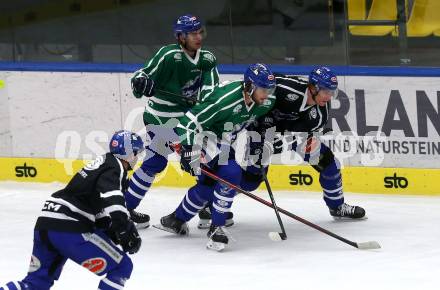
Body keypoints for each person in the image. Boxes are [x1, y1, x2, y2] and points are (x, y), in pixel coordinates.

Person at [198, 67, 365, 228]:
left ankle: (337, 206)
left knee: (329, 163)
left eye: (332, 92)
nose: (329, 97)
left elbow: (302, 137)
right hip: (259, 131)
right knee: (252, 181)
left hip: (289, 136)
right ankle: (210, 202)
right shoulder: (285, 87)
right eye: (326, 91)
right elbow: (258, 90)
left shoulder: (321, 113)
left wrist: (280, 143)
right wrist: (260, 120)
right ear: (313, 87)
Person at [155, 63, 276, 252]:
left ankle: (176, 219)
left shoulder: (265, 100)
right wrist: (188, 150)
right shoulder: (225, 101)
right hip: (201, 138)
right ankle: (216, 227)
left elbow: (271, 109)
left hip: (222, 141)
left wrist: (264, 126)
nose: (267, 94)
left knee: (209, 185)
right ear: (249, 87)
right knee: (231, 172)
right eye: (263, 89)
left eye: (269, 89)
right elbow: (187, 124)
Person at [0, 130, 144, 290]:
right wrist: (123, 228)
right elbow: (113, 201)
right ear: (129, 153)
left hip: (46, 222)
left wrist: (108, 228)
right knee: (121, 267)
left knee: (35, 283)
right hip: (69, 226)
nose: (136, 158)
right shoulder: (115, 166)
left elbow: (96, 204)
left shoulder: (101, 164)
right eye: (136, 153)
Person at [126, 14, 219, 228]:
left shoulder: (207, 59)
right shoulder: (167, 55)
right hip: (161, 117)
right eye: (192, 33)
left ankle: (205, 205)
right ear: (180, 36)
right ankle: (124, 208)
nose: (198, 37)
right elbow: (141, 75)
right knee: (159, 160)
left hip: (188, 120)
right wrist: (142, 83)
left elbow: (211, 92)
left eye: (199, 32)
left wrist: (207, 104)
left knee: (205, 158)